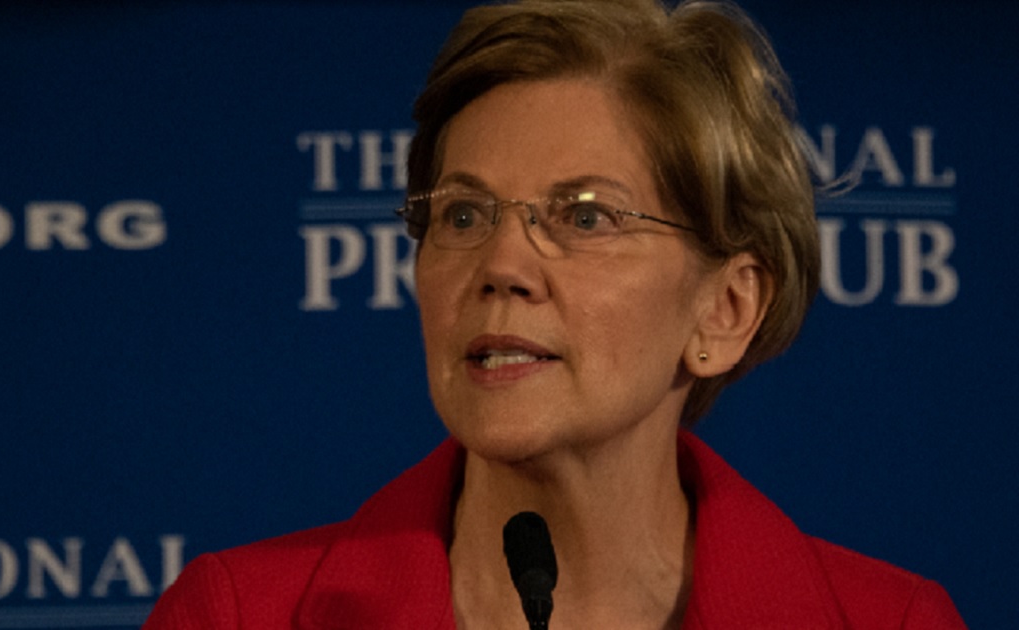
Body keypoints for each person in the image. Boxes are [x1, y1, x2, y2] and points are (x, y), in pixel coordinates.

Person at [145, 0, 967, 627]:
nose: (502, 265)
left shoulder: (889, 621)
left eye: (584, 216)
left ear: (725, 309)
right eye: (463, 216)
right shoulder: (241, 614)